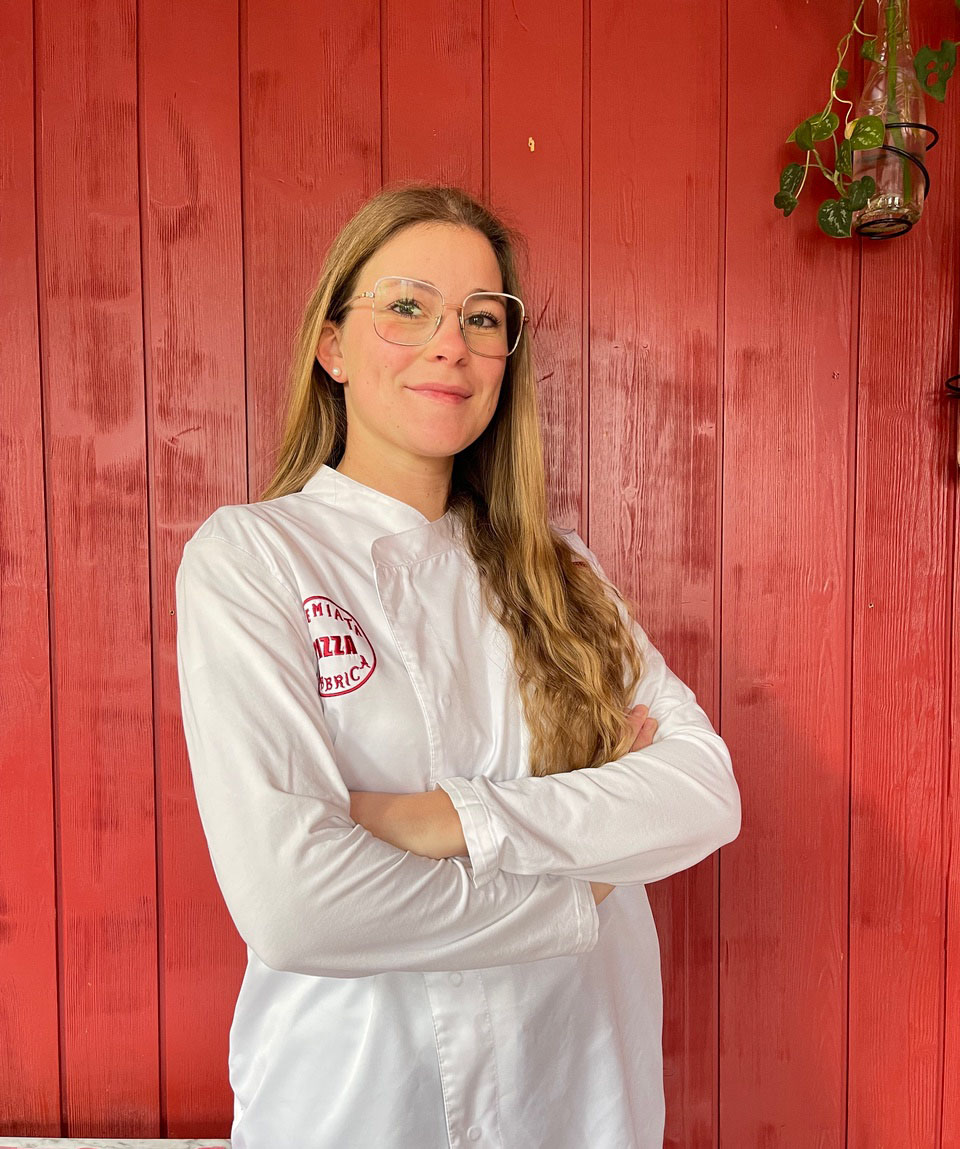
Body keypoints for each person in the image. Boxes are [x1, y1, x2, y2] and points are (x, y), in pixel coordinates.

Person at [174, 182, 741, 1149]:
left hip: (577, 1084)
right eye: (408, 307)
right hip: (355, 1100)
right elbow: (296, 906)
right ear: (333, 347)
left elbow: (701, 792)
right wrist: (582, 881)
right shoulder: (254, 558)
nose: (451, 345)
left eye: (482, 318)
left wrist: (441, 819)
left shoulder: (563, 572)